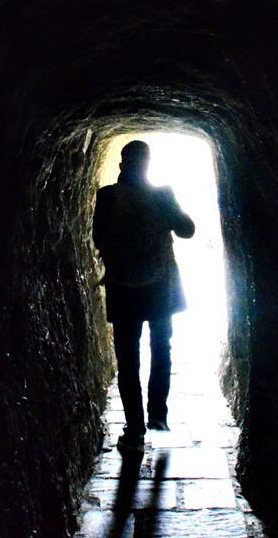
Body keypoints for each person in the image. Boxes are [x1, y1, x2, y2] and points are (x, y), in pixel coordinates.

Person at [92, 139, 195, 453]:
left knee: (128, 358)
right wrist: (167, 212)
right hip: (161, 286)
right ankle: (158, 416)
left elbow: (98, 239)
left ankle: (135, 427)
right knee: (161, 348)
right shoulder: (162, 194)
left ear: (123, 164)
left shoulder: (108, 195)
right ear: (148, 165)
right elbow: (188, 229)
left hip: (123, 287)